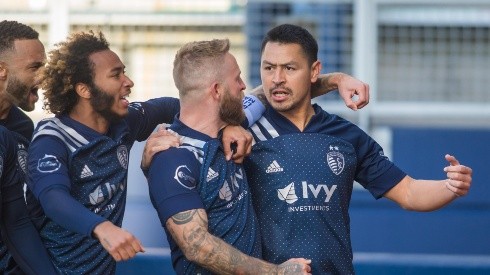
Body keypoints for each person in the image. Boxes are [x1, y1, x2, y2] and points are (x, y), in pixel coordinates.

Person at [26, 30, 262, 274]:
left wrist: (228, 125)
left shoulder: (123, 123)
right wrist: (102, 228)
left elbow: (189, 107)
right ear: (84, 90)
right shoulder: (52, 137)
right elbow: (52, 198)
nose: (128, 82)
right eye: (116, 75)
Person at [244, 23, 473, 274]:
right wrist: (336, 80)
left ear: (314, 71)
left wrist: (450, 187)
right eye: (268, 68)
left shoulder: (345, 136)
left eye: (289, 68)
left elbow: (408, 192)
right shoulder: (244, 132)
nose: (277, 79)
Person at [146, 38, 317, 275]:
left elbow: (271, 94)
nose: (243, 85)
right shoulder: (174, 157)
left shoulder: (229, 129)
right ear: (217, 90)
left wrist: (338, 80)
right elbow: (197, 247)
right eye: (237, 79)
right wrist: (277, 272)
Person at [0, 20, 57, 274]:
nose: (43, 77)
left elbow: (15, 218)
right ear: (2, 70)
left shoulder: (22, 129)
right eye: (35, 67)